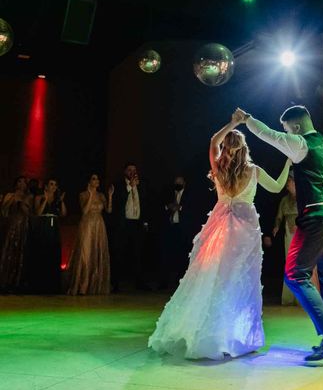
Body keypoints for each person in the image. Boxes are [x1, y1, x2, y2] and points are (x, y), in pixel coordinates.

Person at [148, 115, 291, 360]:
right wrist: (289, 161)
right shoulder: (253, 171)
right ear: (244, 149)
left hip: (220, 225)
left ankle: (210, 332)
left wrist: (234, 122)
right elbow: (278, 187)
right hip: (245, 229)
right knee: (240, 279)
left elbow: (214, 140)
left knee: (214, 277)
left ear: (226, 149)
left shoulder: (220, 169)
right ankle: (236, 335)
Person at [234, 105, 323, 361]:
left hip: (317, 216)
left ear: (295, 127)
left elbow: (268, 134)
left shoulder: (300, 142)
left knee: (295, 275)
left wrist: (247, 119)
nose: (285, 133)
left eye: (286, 128)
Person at [270, 174, 320, 305]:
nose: (287, 183)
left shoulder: (305, 198)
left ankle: (307, 296)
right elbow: (279, 216)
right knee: (291, 263)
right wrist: (276, 227)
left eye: (290, 181)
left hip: (303, 233)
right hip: (289, 233)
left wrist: (299, 225)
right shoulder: (285, 200)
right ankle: (291, 297)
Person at [67, 173, 113, 295]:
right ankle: (82, 285)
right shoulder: (83, 194)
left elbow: (108, 210)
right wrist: (91, 195)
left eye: (97, 178)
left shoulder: (101, 195)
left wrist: (110, 196)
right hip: (87, 224)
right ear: (89, 182)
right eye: (94, 179)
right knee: (85, 253)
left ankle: (95, 285)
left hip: (99, 224)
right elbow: (84, 211)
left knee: (97, 251)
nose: (96, 181)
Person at [110, 163, 149, 291]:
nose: (132, 172)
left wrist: (145, 222)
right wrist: (129, 187)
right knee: (119, 253)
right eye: (130, 170)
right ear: (125, 171)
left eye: (134, 170)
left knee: (138, 253)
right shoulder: (119, 185)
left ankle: (140, 283)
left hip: (136, 223)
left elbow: (144, 203)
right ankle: (115, 284)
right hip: (123, 224)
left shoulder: (141, 185)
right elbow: (117, 203)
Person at [32, 178, 67, 293]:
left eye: (55, 185)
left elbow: (63, 214)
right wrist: (45, 200)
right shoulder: (39, 197)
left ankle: (53, 285)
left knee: (54, 252)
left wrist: (61, 201)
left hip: (54, 227)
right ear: (46, 186)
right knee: (43, 252)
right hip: (43, 226)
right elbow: (38, 213)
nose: (53, 187)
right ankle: (40, 285)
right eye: (51, 184)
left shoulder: (57, 199)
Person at [159, 175, 194, 289]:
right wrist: (168, 207)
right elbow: (160, 206)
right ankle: (164, 282)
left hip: (182, 229)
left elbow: (193, 209)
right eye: (176, 182)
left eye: (180, 182)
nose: (177, 184)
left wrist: (180, 208)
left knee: (182, 255)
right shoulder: (169, 193)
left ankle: (181, 282)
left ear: (184, 183)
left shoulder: (189, 195)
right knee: (167, 255)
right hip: (170, 227)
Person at [0, 177, 33, 292]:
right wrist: (13, 198)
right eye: (19, 181)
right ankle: (5, 281)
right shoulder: (10, 195)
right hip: (12, 225)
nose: (22, 184)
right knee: (9, 250)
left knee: (21, 252)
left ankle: (18, 282)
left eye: (24, 182)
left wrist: (23, 202)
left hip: (23, 226)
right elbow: (4, 209)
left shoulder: (28, 197)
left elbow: (29, 213)